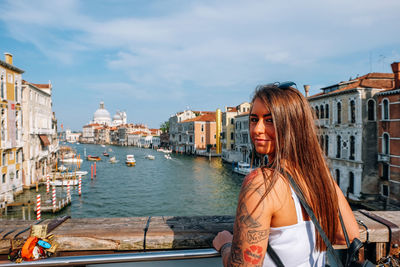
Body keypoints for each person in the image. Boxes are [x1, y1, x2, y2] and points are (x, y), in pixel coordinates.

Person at [213, 82, 359, 266]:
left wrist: (225, 244)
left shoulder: (261, 183)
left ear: (292, 126)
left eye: (269, 120)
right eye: (253, 119)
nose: (257, 129)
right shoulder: (319, 178)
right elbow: (348, 236)